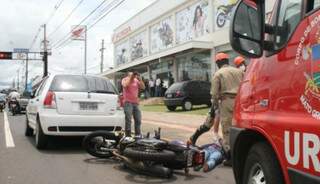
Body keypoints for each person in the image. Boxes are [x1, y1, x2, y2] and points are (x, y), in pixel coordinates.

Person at [211, 52, 243, 165]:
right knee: (240, 128)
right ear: (227, 61)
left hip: (227, 102)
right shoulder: (239, 71)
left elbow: (214, 94)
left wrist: (215, 106)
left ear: (218, 63)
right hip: (241, 102)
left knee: (227, 130)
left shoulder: (218, 74)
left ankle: (231, 158)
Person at [122, 72, 145, 137]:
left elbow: (143, 87)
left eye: (133, 74)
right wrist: (130, 78)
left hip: (136, 103)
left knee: (138, 119)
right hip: (128, 102)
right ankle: (128, 136)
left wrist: (140, 80)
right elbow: (125, 85)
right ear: (128, 75)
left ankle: (137, 135)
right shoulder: (124, 79)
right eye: (131, 74)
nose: (133, 75)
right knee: (128, 120)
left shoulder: (136, 80)